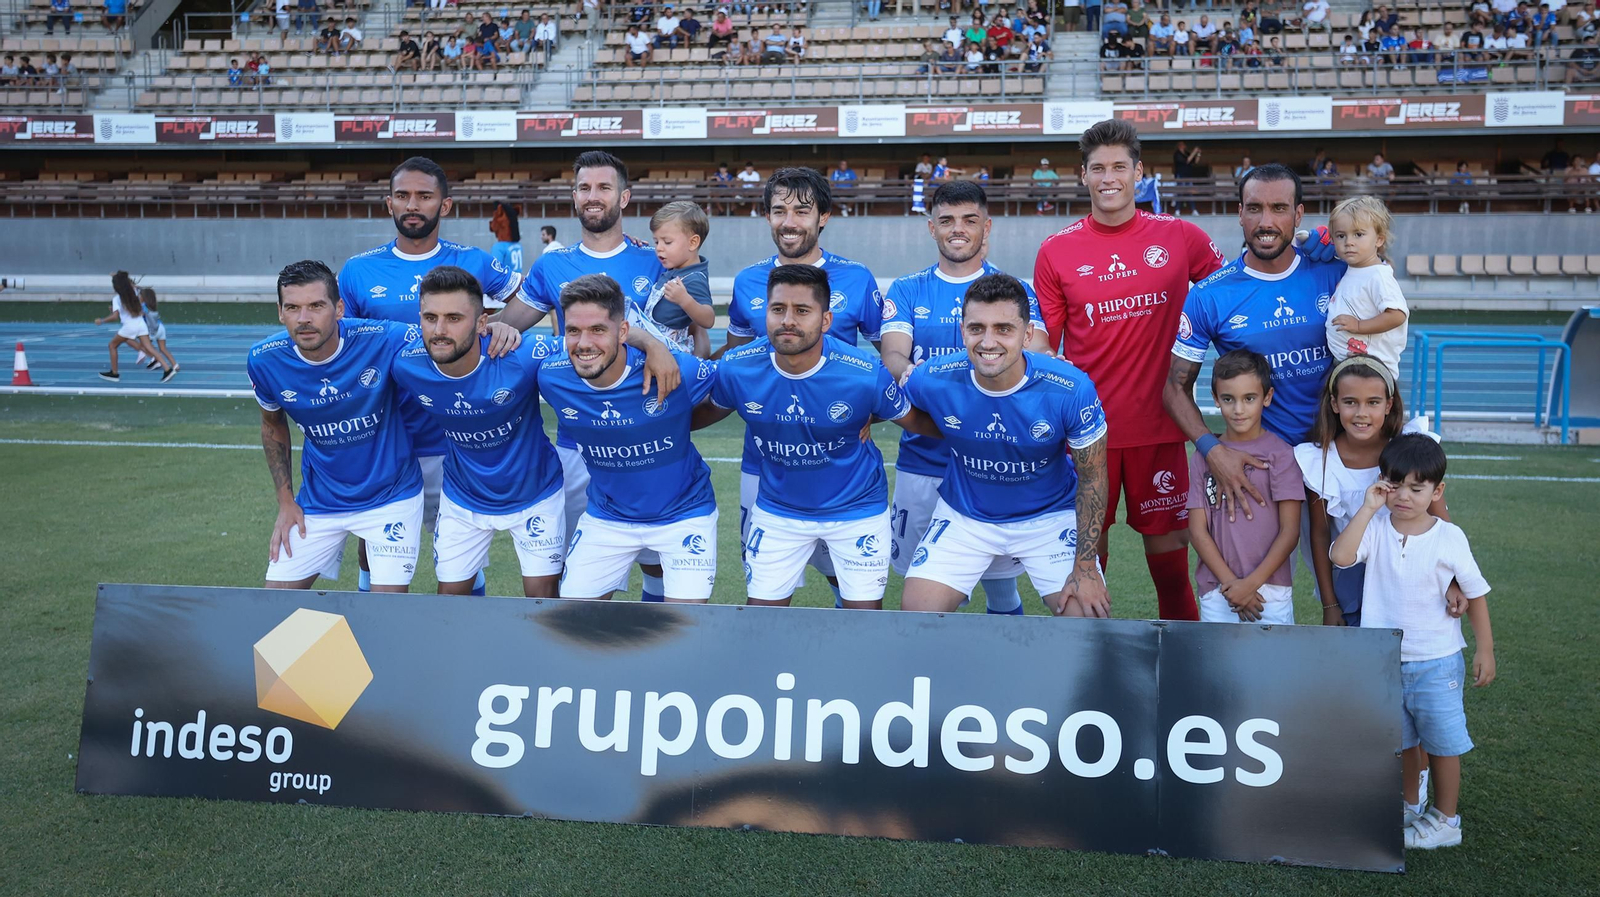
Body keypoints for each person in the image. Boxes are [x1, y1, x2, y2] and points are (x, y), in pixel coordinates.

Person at [1035, 119, 1227, 621]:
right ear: (1083, 176)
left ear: (1139, 172)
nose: (1109, 178)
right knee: (1085, 567)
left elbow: (1234, 292)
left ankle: (1182, 663)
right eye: (1098, 168)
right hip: (1087, 435)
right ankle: (1087, 665)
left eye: (1120, 167)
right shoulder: (1056, 250)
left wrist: (1306, 248)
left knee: (1171, 569)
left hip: (1160, 429)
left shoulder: (1180, 236)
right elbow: (1041, 345)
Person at [491, 151, 682, 597]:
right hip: (578, 443)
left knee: (658, 565)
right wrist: (491, 325)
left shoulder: (655, 260)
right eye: (584, 188)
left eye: (604, 188)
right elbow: (508, 324)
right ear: (574, 196)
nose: (593, 196)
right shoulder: (551, 265)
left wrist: (655, 345)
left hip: (649, 437)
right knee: (583, 572)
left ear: (624, 197)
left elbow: (690, 341)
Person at [336, 157, 523, 594]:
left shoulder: (472, 261)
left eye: (424, 196)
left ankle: (465, 628)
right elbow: (344, 345)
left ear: (446, 205)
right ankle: (375, 624)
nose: (412, 205)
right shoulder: (358, 270)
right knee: (373, 547)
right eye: (402, 196)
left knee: (460, 551)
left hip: (455, 435)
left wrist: (502, 326)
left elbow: (530, 295)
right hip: (384, 436)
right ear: (389, 204)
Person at [700, 265, 927, 609]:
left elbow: (914, 420)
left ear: (825, 320)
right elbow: (702, 414)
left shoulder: (865, 373)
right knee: (759, 621)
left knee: (864, 623)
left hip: (857, 511)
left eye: (802, 310)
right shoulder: (737, 367)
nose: (787, 320)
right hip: (778, 510)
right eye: (778, 309)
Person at [881, 181, 1050, 615]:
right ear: (931, 228)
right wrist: (913, 374)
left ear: (986, 227)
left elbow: (1039, 354)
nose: (958, 229)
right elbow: (894, 354)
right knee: (925, 590)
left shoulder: (1014, 290)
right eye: (947, 220)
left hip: (994, 462)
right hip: (923, 458)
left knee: (1000, 585)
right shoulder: (908, 288)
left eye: (969, 220)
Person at [718, 168, 886, 605]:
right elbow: (733, 363)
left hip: (840, 466)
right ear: (767, 216)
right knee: (767, 590)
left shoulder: (856, 278)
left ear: (823, 216)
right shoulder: (748, 281)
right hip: (766, 461)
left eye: (801, 211)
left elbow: (887, 354)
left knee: (847, 583)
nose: (789, 221)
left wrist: (872, 410)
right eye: (779, 211)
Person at [899, 274, 1111, 617]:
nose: (988, 342)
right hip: (965, 516)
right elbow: (889, 401)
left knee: (1086, 621)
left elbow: (1093, 477)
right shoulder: (933, 377)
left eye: (1003, 329)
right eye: (976, 328)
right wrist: (863, 417)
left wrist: (1086, 566)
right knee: (916, 615)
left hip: (1048, 517)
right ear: (962, 330)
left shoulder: (1070, 388)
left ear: (1027, 334)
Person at [1331, 434, 1495, 850]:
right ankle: (1409, 805)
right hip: (1385, 660)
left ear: (1437, 492)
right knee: (1400, 741)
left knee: (1442, 744)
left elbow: (1475, 593)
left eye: (1416, 488)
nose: (1403, 496)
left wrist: (1485, 649)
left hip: (1436, 661)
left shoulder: (1449, 537)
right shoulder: (1376, 527)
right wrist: (1368, 508)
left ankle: (1446, 820)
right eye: (1395, 485)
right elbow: (1341, 557)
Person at [1165, 164, 1345, 519]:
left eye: (1279, 209)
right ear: (1239, 214)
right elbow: (1174, 388)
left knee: (1347, 555)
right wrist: (1212, 450)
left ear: (1298, 215)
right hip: (1260, 464)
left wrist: (1353, 251)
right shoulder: (1209, 295)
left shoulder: (1336, 273)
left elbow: (1384, 297)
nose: (1266, 222)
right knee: (1258, 560)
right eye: (1254, 208)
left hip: (1336, 452)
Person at [247, 261, 426, 592]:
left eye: (316, 306)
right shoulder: (264, 360)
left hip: (391, 496)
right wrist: (285, 502)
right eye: (293, 308)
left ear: (339, 308)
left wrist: (496, 329)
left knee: (387, 611)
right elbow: (272, 424)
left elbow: (445, 339)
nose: (304, 318)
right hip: (320, 501)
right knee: (274, 604)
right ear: (280, 312)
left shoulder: (382, 338)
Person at [542, 275, 720, 602]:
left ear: (622, 331)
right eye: (573, 330)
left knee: (685, 623)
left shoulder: (678, 370)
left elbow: (729, 390)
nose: (584, 343)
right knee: (574, 619)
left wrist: (679, 423)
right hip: (608, 517)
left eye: (598, 330)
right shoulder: (551, 374)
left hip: (684, 514)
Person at [389, 266, 561, 598]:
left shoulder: (520, 354)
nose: (440, 330)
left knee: (542, 602)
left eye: (454, 318)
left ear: (483, 323)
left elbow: (592, 344)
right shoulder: (406, 364)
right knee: (449, 601)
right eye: (430, 318)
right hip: (463, 496)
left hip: (535, 494)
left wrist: (648, 344)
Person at [1186, 350, 1302, 624]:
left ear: (1267, 397)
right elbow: (1197, 530)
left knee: (1270, 654)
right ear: (1215, 398)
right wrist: (1232, 584)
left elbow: (1290, 531)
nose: (1238, 410)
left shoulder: (1282, 455)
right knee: (1217, 655)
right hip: (1218, 589)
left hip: (1270, 590)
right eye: (1228, 399)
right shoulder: (1203, 457)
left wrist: (1250, 585)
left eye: (1249, 398)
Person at [1326, 195, 1408, 377]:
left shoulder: (1378, 275)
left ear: (1379, 240)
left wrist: (1359, 325)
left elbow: (1397, 315)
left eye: (1358, 234)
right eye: (1341, 236)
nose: (1349, 242)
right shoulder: (1352, 270)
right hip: (1351, 366)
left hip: (1371, 371)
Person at [644, 201, 715, 355]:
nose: (659, 248)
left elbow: (708, 319)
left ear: (693, 242)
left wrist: (685, 300)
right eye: (656, 241)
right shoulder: (675, 268)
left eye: (667, 242)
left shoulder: (694, 279)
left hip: (672, 356)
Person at [95, 272, 175, 382]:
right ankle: (167, 369)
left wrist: (102, 320)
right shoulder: (134, 292)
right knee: (150, 348)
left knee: (112, 345)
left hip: (130, 326)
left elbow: (115, 316)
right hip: (141, 324)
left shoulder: (117, 298)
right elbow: (130, 287)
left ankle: (114, 373)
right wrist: (119, 276)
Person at [137, 288, 178, 375]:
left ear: (143, 297)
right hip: (161, 327)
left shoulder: (143, 307)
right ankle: (175, 364)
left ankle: (156, 359)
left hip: (153, 330)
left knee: (144, 345)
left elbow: (139, 314)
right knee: (163, 349)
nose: (138, 297)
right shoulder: (152, 306)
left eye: (140, 295)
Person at [489, 200, 524, 279]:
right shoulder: (519, 245)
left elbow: (495, 272)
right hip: (518, 281)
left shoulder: (498, 247)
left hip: (505, 283)